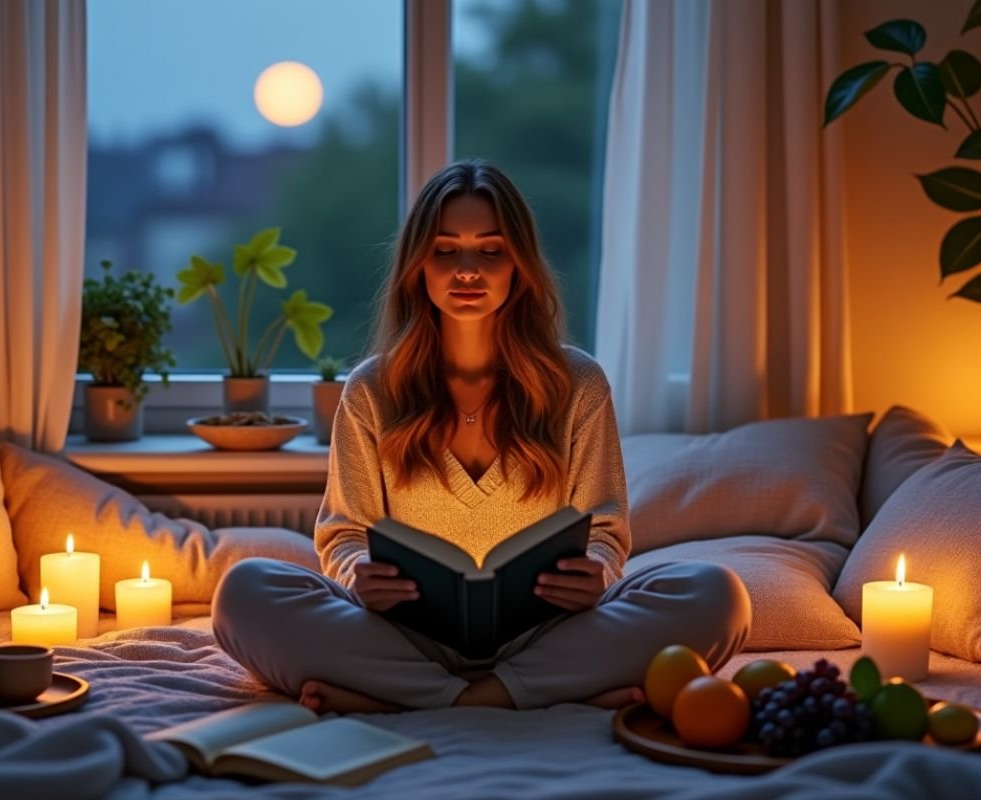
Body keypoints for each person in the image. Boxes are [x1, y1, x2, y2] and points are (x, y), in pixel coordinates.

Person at [214, 159, 749, 713]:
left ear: (519, 264)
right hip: (402, 637)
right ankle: (517, 694)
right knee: (245, 591)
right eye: (446, 251)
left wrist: (597, 572)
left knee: (717, 594)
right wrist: (357, 576)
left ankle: (423, 698)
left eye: (490, 251)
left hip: (549, 635)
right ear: (418, 266)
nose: (467, 270)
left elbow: (605, 531)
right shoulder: (372, 390)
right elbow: (345, 533)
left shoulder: (578, 384)